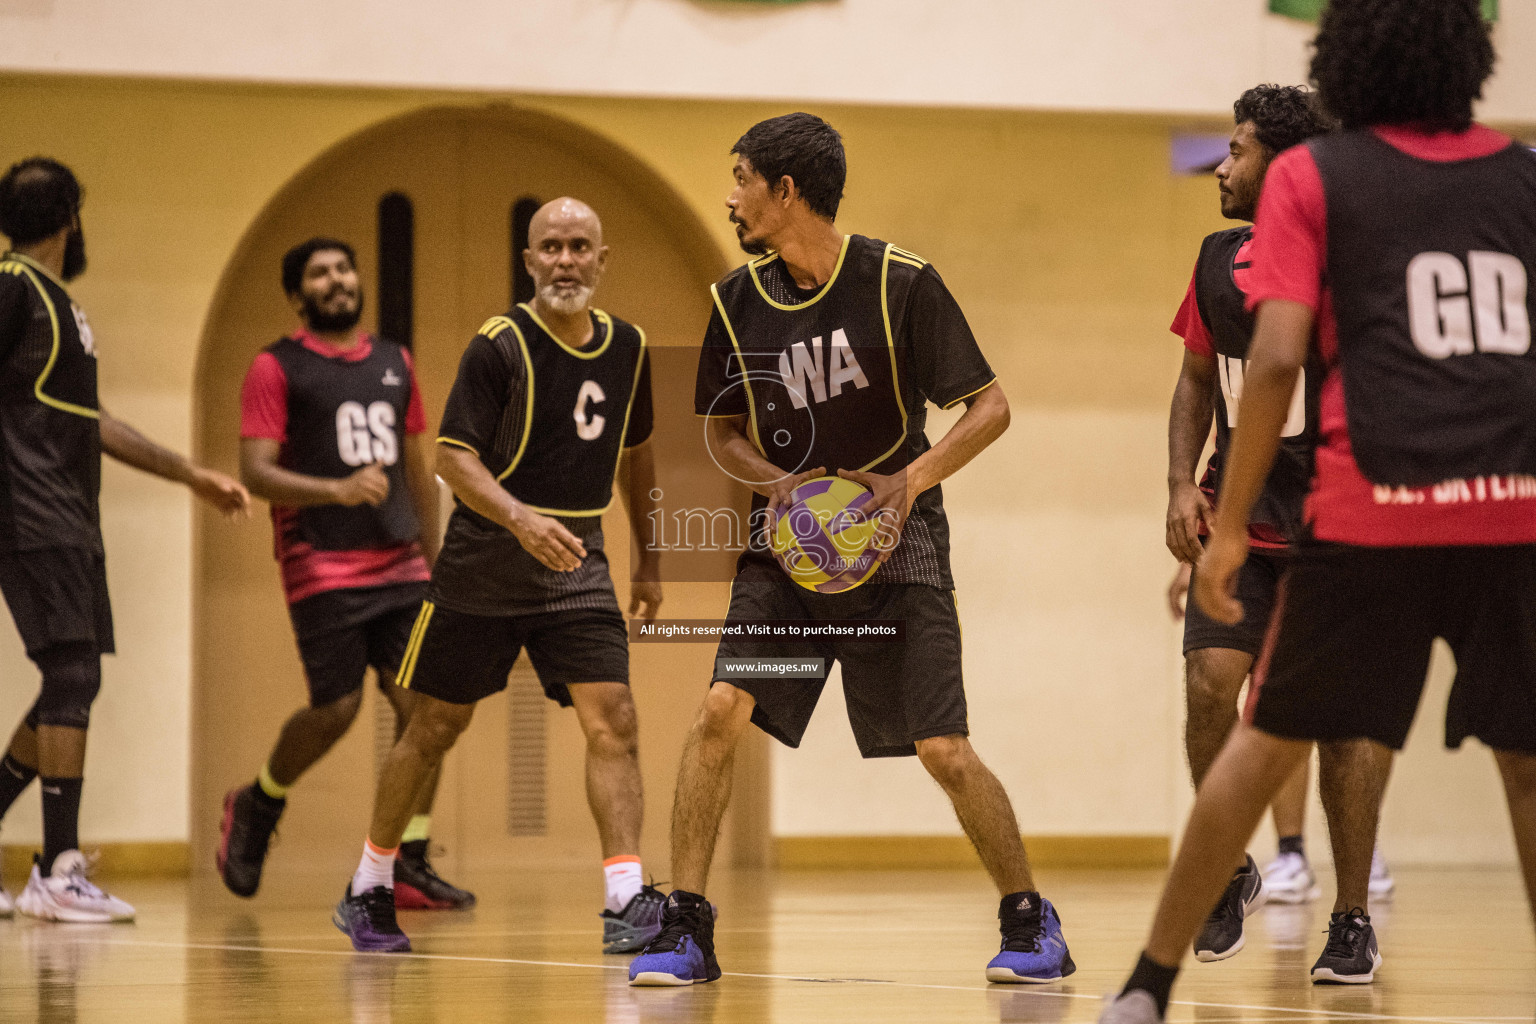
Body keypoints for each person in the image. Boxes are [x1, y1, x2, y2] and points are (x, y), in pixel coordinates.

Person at [1103, 2, 1536, 1019]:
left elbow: (1281, 360)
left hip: (1370, 507)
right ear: (1472, 58)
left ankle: (1147, 985)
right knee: (1524, 762)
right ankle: (1236, 903)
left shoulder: (1321, 179)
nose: (1223, 161)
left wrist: (1223, 519)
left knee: (1271, 735)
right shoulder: (1523, 176)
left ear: (1345, 63)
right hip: (1509, 506)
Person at [628, 113, 1073, 987]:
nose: (730, 197)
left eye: (741, 178)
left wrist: (908, 481)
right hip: (787, 550)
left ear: (786, 190)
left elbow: (989, 407)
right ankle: (686, 928)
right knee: (720, 710)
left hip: (897, 541)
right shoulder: (735, 301)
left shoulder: (901, 283)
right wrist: (777, 484)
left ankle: (1030, 922)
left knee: (943, 748)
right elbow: (721, 430)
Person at [332, 198, 663, 955]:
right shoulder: (499, 345)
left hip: (577, 558)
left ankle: (626, 898)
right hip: (484, 559)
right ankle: (370, 885)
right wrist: (519, 518)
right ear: (529, 261)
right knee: (435, 725)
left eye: (581, 246)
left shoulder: (629, 348)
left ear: (602, 260)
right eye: (551, 247)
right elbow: (452, 459)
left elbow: (637, 452)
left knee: (614, 717)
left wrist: (651, 555)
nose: (566, 260)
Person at [1163, 84, 1397, 974]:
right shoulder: (1217, 259)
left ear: (1289, 165)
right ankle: (1228, 872)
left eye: (1238, 150)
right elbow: (1193, 382)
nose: (1220, 166)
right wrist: (1180, 481)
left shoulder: (1359, 261)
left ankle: (1348, 918)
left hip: (1342, 530)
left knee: (1344, 727)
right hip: (1240, 528)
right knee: (1206, 690)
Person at [0, 157, 249, 922]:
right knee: (73, 676)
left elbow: (94, 422)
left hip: (69, 515)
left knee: (69, 678)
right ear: (74, 215)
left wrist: (189, 474)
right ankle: (58, 867)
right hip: (33, 512)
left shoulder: (60, 305)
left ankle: (55, 865)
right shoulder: (12, 284)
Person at [217, 237, 472, 910]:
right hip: (321, 560)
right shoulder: (277, 367)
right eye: (319, 274)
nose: (336, 280)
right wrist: (334, 491)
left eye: (343, 268)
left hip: (400, 561)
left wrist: (437, 558)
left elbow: (415, 467)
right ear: (300, 296)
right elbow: (255, 472)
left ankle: (407, 860)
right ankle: (257, 803)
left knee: (430, 713)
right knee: (337, 708)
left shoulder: (394, 362)